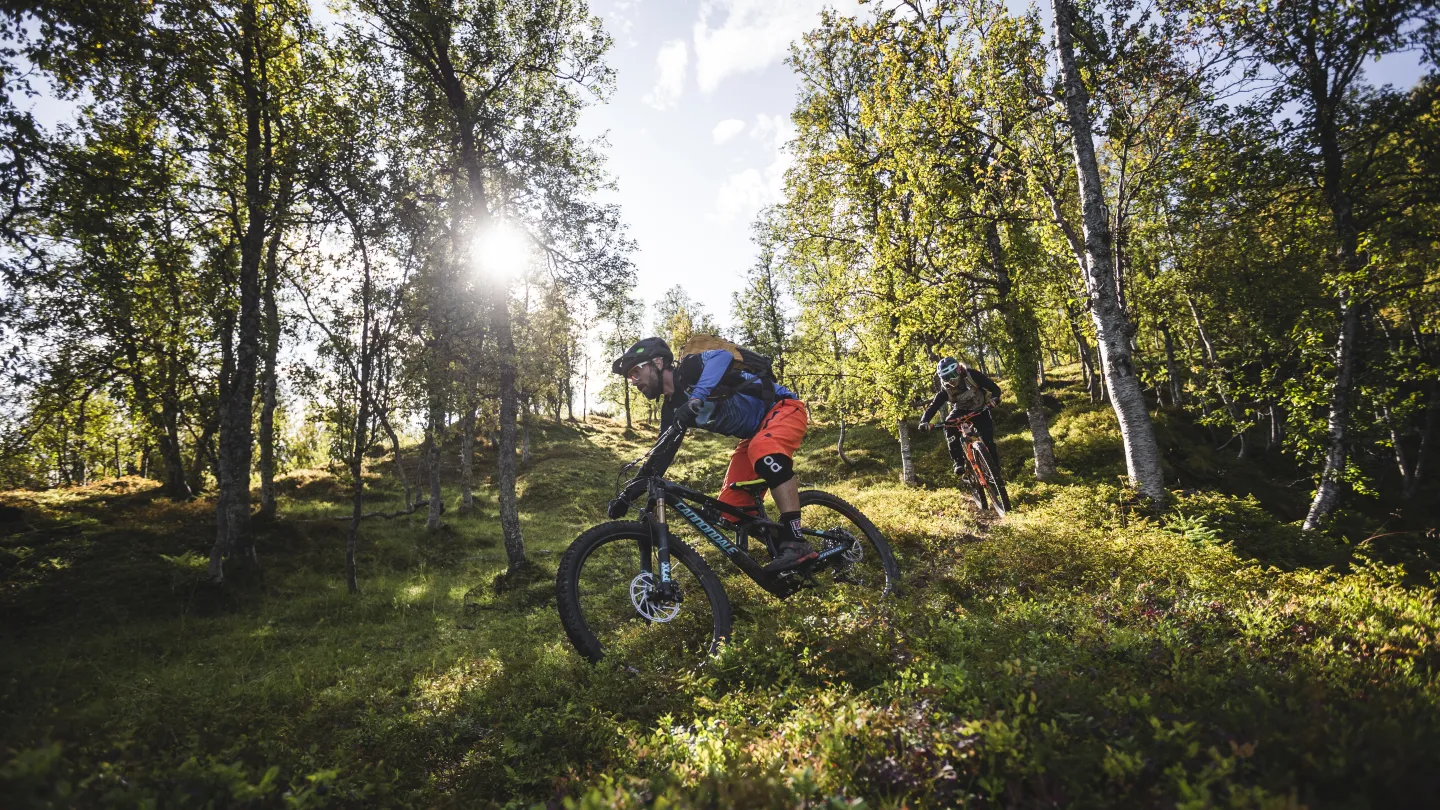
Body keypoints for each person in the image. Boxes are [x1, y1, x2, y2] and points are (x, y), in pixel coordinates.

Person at [608, 337, 816, 572]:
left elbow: (722, 357)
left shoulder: (689, 369)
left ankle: (797, 540)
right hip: (754, 434)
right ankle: (785, 549)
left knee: (763, 449)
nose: (634, 382)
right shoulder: (671, 410)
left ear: (657, 362)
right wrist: (628, 494)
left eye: (635, 373)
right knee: (731, 511)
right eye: (630, 378)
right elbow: (660, 457)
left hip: (783, 407)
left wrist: (697, 397)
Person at [918, 356, 1009, 510]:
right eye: (946, 378)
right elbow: (932, 407)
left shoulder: (972, 376)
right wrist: (924, 421)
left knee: (989, 443)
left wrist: (995, 399)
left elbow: (994, 388)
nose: (951, 380)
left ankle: (995, 476)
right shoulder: (945, 391)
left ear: (959, 371)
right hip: (960, 411)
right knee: (949, 426)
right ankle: (959, 462)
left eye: (953, 375)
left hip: (980, 409)